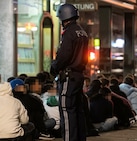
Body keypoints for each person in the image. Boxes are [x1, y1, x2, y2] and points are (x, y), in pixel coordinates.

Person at [50, 3, 89, 141]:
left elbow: (64, 55)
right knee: (78, 110)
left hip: (68, 76)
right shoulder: (82, 32)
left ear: (64, 16)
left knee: (66, 110)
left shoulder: (69, 33)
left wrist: (54, 67)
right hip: (78, 75)